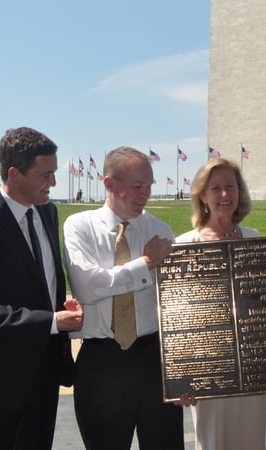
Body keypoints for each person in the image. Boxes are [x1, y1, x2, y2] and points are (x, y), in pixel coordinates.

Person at [0, 126, 83, 449]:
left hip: (44, 375)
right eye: (46, 174)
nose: (53, 182)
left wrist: (61, 305)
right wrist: (51, 322)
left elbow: (41, 281)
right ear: (15, 173)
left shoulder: (49, 212)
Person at [175, 157, 266, 450]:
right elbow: (178, 318)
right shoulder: (183, 245)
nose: (224, 195)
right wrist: (182, 376)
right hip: (209, 368)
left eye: (230, 187)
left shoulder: (254, 239)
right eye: (216, 187)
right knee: (212, 442)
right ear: (202, 195)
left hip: (251, 368)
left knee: (251, 441)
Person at [63, 146, 182, 449]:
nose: (145, 194)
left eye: (149, 186)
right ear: (109, 184)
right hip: (102, 362)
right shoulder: (80, 226)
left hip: (153, 360)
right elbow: (87, 287)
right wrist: (146, 264)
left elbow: (176, 304)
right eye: (137, 186)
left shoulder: (160, 230)